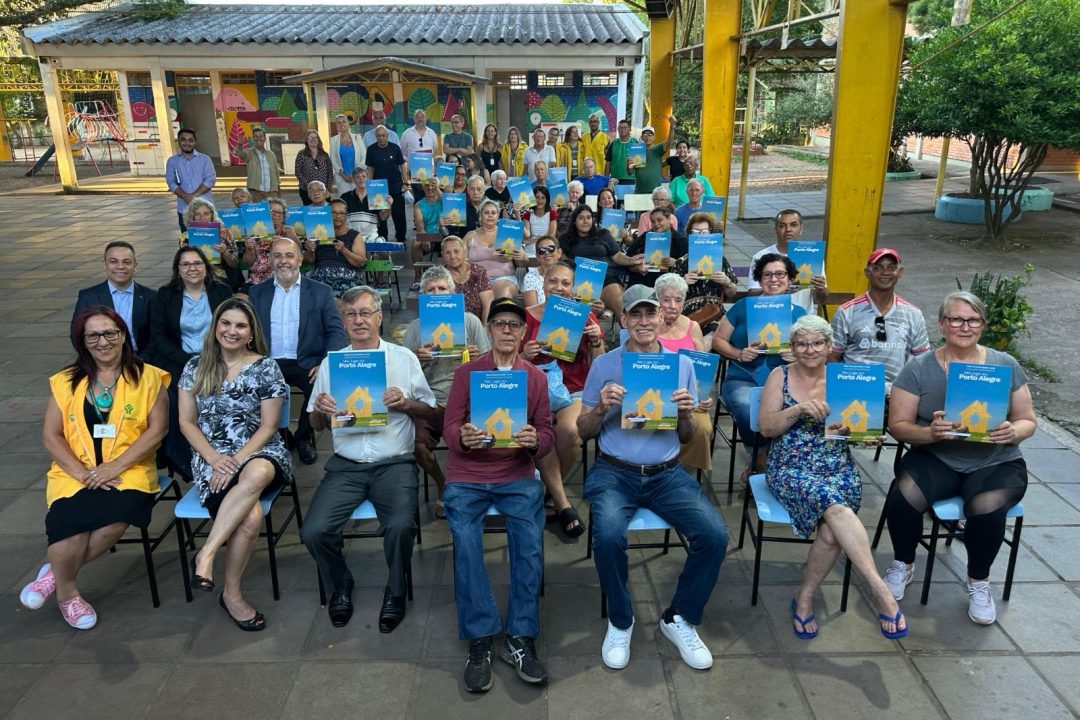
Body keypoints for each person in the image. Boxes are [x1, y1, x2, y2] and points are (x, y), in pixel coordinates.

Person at [578, 284, 728, 670]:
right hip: (615, 471)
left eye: (651, 314)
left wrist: (684, 414)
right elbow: (583, 431)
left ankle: (679, 617)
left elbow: (687, 437)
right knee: (609, 536)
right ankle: (621, 619)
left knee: (714, 535)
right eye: (636, 314)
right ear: (624, 320)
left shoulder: (682, 366)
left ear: (663, 318)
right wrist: (601, 410)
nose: (644, 321)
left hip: (666, 473)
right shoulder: (604, 364)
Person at [882, 291, 1037, 626]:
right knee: (904, 496)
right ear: (942, 324)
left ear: (982, 325)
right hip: (936, 456)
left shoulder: (1004, 364)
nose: (964, 326)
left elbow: (1028, 420)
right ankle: (903, 564)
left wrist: (1015, 431)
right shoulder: (919, 368)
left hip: (996, 459)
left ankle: (978, 581)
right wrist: (931, 434)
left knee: (985, 507)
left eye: (973, 320)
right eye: (956, 319)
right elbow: (899, 426)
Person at [759, 315, 909, 640]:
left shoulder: (845, 378)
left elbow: (854, 428)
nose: (809, 349)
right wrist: (798, 410)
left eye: (817, 343)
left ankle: (804, 599)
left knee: (830, 532)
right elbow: (766, 428)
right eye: (801, 343)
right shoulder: (779, 374)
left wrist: (866, 436)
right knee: (836, 508)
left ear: (829, 347)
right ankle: (880, 590)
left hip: (836, 465)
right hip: (790, 466)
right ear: (793, 347)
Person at [22, 306, 169, 629]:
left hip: (128, 469)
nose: (103, 341)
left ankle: (53, 575)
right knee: (68, 525)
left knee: (112, 523)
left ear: (122, 336)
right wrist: (82, 473)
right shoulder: (65, 381)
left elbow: (156, 431)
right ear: (83, 341)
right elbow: (51, 435)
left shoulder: (149, 377)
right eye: (93, 335)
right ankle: (68, 594)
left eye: (110, 333)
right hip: (75, 470)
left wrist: (112, 466)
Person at [304, 286, 437, 630]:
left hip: (393, 462)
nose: (359, 320)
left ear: (379, 317)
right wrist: (319, 410)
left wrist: (406, 403)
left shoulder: (403, 358)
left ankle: (395, 589)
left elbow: (431, 411)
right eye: (351, 314)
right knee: (314, 531)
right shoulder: (332, 364)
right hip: (346, 466)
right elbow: (315, 423)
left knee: (399, 526)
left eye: (365, 313)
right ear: (344, 321)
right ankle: (341, 583)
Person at [443, 298, 555, 693]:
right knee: (466, 541)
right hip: (468, 475)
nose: (507, 330)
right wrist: (462, 437)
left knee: (528, 544)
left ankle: (520, 636)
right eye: (500, 324)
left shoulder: (536, 379)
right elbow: (449, 427)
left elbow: (547, 435)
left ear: (524, 333)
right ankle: (480, 637)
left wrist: (533, 440)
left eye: (514, 325)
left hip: (515, 473)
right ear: (489, 330)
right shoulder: (465, 374)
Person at [178, 298, 291, 632]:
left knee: (257, 471)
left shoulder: (266, 367)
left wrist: (237, 460)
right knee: (251, 516)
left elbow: (270, 426)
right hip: (210, 457)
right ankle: (232, 595)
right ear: (215, 327)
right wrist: (215, 459)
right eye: (225, 323)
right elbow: (187, 423)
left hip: (259, 450)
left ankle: (206, 553)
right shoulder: (195, 366)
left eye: (240, 325)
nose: (232, 331)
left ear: (251, 332)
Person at [521, 261, 604, 537]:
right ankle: (562, 503)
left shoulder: (585, 316)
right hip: (537, 388)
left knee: (569, 431)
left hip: (575, 387)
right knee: (541, 432)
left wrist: (595, 341)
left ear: (573, 287)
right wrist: (524, 357)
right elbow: (505, 363)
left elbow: (600, 365)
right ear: (543, 282)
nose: (559, 287)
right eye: (553, 281)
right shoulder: (526, 317)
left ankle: (546, 493)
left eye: (565, 283)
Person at [248, 237, 346, 465]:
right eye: (278, 256)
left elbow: (336, 332)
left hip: (307, 362)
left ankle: (303, 437)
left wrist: (325, 362)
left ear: (300, 260)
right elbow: (248, 333)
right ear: (270, 260)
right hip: (268, 362)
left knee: (320, 385)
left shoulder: (321, 292)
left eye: (289, 255)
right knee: (249, 390)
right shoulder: (257, 293)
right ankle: (280, 437)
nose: (284, 261)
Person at [403, 266, 491, 517]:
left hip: (468, 400)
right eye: (431, 290)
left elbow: (490, 370)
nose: (437, 293)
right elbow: (404, 379)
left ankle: (476, 486)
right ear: (423, 297)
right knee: (416, 446)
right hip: (431, 402)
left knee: (484, 436)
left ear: (454, 292)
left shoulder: (471, 322)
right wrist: (417, 360)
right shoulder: (414, 329)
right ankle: (443, 483)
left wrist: (478, 357)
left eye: (442, 288)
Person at [712, 254, 808, 477]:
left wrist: (797, 355)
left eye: (780, 274)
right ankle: (760, 457)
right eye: (767, 274)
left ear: (790, 278)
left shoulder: (800, 314)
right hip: (744, 377)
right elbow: (718, 341)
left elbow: (815, 351)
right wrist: (738, 353)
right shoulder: (744, 306)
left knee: (795, 413)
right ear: (759, 279)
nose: (773, 279)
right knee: (749, 410)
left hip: (786, 382)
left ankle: (775, 463)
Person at [147, 245, 233, 478]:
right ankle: (183, 458)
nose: (192, 268)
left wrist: (213, 359)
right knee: (173, 403)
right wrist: (185, 361)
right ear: (178, 270)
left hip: (217, 359)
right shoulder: (166, 295)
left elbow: (231, 328)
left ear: (206, 267)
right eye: (185, 264)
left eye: (197, 263)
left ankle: (221, 450)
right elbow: (158, 335)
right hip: (177, 360)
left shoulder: (222, 292)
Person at [830, 248, 930, 386]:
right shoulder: (847, 311)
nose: (885, 272)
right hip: (857, 388)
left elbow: (922, 361)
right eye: (877, 268)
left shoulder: (913, 314)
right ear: (867, 273)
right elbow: (832, 357)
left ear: (900, 273)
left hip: (896, 392)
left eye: (892, 267)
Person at [654, 273, 713, 473]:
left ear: (684, 302)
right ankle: (657, 466)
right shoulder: (649, 325)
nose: (672, 305)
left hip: (688, 397)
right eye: (666, 300)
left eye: (678, 300)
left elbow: (701, 368)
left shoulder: (693, 326)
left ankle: (682, 471)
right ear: (657, 300)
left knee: (703, 429)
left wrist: (705, 395)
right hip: (656, 394)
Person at [557, 204, 642, 317]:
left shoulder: (603, 234)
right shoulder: (565, 238)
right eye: (581, 218)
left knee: (622, 308)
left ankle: (630, 332)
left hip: (606, 279)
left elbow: (616, 256)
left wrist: (631, 260)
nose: (585, 221)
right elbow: (564, 262)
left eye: (588, 217)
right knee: (577, 314)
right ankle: (602, 311)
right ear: (574, 221)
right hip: (579, 282)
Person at [73, 241, 155, 354]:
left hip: (142, 360)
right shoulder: (88, 297)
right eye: (113, 261)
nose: (120, 266)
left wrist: (142, 362)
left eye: (126, 262)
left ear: (135, 266)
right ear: (105, 265)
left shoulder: (151, 297)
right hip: (101, 358)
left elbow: (158, 335)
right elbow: (77, 334)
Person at [747, 210, 828, 311]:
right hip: (771, 315)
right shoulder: (761, 256)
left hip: (802, 320)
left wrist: (820, 289)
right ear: (775, 229)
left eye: (793, 225)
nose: (788, 229)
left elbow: (820, 300)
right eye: (782, 226)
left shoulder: (813, 256)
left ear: (801, 229)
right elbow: (752, 292)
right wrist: (778, 288)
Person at [673, 212, 738, 324]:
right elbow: (671, 295)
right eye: (696, 232)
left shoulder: (720, 260)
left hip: (715, 312)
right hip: (689, 316)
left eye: (704, 231)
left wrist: (727, 282)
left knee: (716, 328)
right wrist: (682, 283)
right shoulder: (680, 262)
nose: (701, 235)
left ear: (710, 233)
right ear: (689, 234)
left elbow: (732, 293)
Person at [303, 199, 367, 297]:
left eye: (342, 213)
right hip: (321, 277)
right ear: (327, 214)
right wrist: (310, 250)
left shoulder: (354, 235)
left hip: (347, 278)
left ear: (346, 215)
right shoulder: (318, 233)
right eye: (334, 213)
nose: (338, 216)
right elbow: (309, 260)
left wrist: (343, 250)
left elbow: (361, 262)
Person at [465, 198, 527, 300]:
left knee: (503, 296)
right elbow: (460, 259)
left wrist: (522, 257)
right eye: (486, 212)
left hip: (503, 279)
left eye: (493, 213)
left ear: (498, 216)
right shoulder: (470, 235)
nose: (490, 215)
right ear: (480, 215)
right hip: (476, 280)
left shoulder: (508, 233)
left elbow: (523, 263)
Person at [181, 197, 242, 290]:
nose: (203, 218)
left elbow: (234, 264)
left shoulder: (224, 233)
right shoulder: (185, 237)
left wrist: (224, 252)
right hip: (194, 275)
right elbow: (183, 266)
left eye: (206, 213)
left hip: (220, 276)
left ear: (212, 215)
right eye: (197, 214)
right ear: (192, 217)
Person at [365, 125, 409, 245]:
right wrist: (369, 185)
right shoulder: (371, 150)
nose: (381, 138)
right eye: (378, 136)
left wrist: (406, 182)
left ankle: (401, 239)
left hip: (396, 186)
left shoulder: (395, 148)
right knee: (380, 217)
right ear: (375, 137)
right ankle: (382, 239)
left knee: (399, 215)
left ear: (387, 136)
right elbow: (370, 169)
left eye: (383, 135)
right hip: (378, 189)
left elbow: (402, 166)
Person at [165, 127, 216, 231]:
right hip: (184, 209)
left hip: (205, 209)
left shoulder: (205, 159)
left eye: (190, 140)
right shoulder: (172, 161)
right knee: (187, 241)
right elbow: (171, 183)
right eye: (183, 139)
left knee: (209, 241)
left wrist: (192, 196)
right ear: (178, 141)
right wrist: (185, 196)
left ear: (195, 142)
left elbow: (210, 180)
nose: (187, 143)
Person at [626, 206, 687, 289]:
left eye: (659, 220)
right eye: (652, 221)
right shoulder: (646, 236)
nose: (656, 224)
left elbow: (688, 270)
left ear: (669, 219)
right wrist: (637, 268)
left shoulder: (681, 241)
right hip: (642, 282)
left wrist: (676, 263)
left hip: (668, 286)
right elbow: (627, 259)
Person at [244, 199, 298, 288]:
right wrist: (249, 249)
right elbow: (249, 263)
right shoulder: (254, 232)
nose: (276, 215)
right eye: (272, 212)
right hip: (257, 279)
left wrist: (283, 243)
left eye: (280, 213)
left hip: (281, 278)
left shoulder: (288, 230)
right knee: (240, 300)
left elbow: (298, 254)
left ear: (284, 216)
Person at [441, 235, 493, 322]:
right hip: (451, 324)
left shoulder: (479, 271)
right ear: (442, 255)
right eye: (447, 253)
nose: (452, 256)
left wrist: (484, 329)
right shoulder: (440, 276)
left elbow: (488, 305)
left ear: (464, 251)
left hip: (478, 324)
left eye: (456, 251)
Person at [340, 166, 394, 243]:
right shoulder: (345, 197)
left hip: (371, 236)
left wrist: (389, 205)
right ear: (354, 180)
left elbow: (384, 217)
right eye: (357, 177)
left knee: (382, 248)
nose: (361, 179)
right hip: (351, 236)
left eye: (364, 176)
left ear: (368, 179)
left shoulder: (376, 196)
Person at [632, 116, 677, 194]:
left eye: (650, 135)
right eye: (645, 135)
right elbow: (631, 171)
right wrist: (628, 165)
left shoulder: (657, 149)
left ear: (654, 137)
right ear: (641, 137)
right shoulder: (637, 150)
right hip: (639, 191)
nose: (647, 137)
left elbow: (669, 141)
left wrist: (672, 126)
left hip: (655, 192)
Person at [233, 126, 280, 202]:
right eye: (256, 136)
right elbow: (239, 153)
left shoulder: (271, 154)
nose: (258, 138)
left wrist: (278, 190)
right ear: (252, 139)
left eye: (261, 136)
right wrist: (240, 144)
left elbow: (276, 172)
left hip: (271, 192)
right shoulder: (249, 152)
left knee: (272, 212)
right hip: (255, 192)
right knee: (257, 212)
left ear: (264, 139)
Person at [400, 109, 439, 198]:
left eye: (422, 117)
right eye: (417, 117)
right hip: (413, 171)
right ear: (414, 119)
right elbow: (403, 151)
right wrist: (413, 159)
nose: (420, 119)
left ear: (426, 119)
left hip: (429, 171)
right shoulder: (407, 133)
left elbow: (435, 149)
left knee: (430, 196)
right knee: (418, 197)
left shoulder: (432, 133)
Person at [329, 114, 366, 198]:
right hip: (342, 178)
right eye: (339, 123)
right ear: (336, 125)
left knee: (358, 200)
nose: (341, 124)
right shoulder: (333, 140)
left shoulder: (357, 137)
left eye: (344, 121)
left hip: (357, 177)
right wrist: (343, 176)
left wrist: (354, 173)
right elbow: (333, 160)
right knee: (344, 203)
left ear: (348, 123)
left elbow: (364, 157)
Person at [294, 130, 334, 205]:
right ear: (306, 140)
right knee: (309, 212)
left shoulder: (324, 155)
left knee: (324, 212)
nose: (313, 140)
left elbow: (330, 173)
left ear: (318, 140)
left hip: (323, 191)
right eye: (310, 137)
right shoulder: (301, 154)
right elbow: (298, 172)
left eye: (315, 137)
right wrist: (310, 187)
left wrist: (327, 189)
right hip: (306, 190)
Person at [521, 235, 562, 307]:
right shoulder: (530, 277)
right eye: (542, 250)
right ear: (537, 256)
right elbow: (532, 310)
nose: (546, 252)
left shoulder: (569, 274)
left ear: (559, 252)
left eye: (550, 248)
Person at [523, 185, 558, 253]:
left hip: (547, 247)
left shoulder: (552, 214)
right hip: (530, 249)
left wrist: (532, 241)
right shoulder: (527, 215)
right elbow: (526, 236)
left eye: (543, 198)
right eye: (537, 197)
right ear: (533, 198)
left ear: (547, 200)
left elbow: (551, 236)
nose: (540, 200)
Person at [604, 119, 634, 186]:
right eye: (620, 127)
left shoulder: (635, 143)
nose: (622, 129)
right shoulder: (613, 144)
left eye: (625, 127)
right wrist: (606, 179)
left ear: (629, 129)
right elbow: (608, 163)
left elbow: (639, 164)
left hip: (632, 180)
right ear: (617, 129)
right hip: (615, 180)